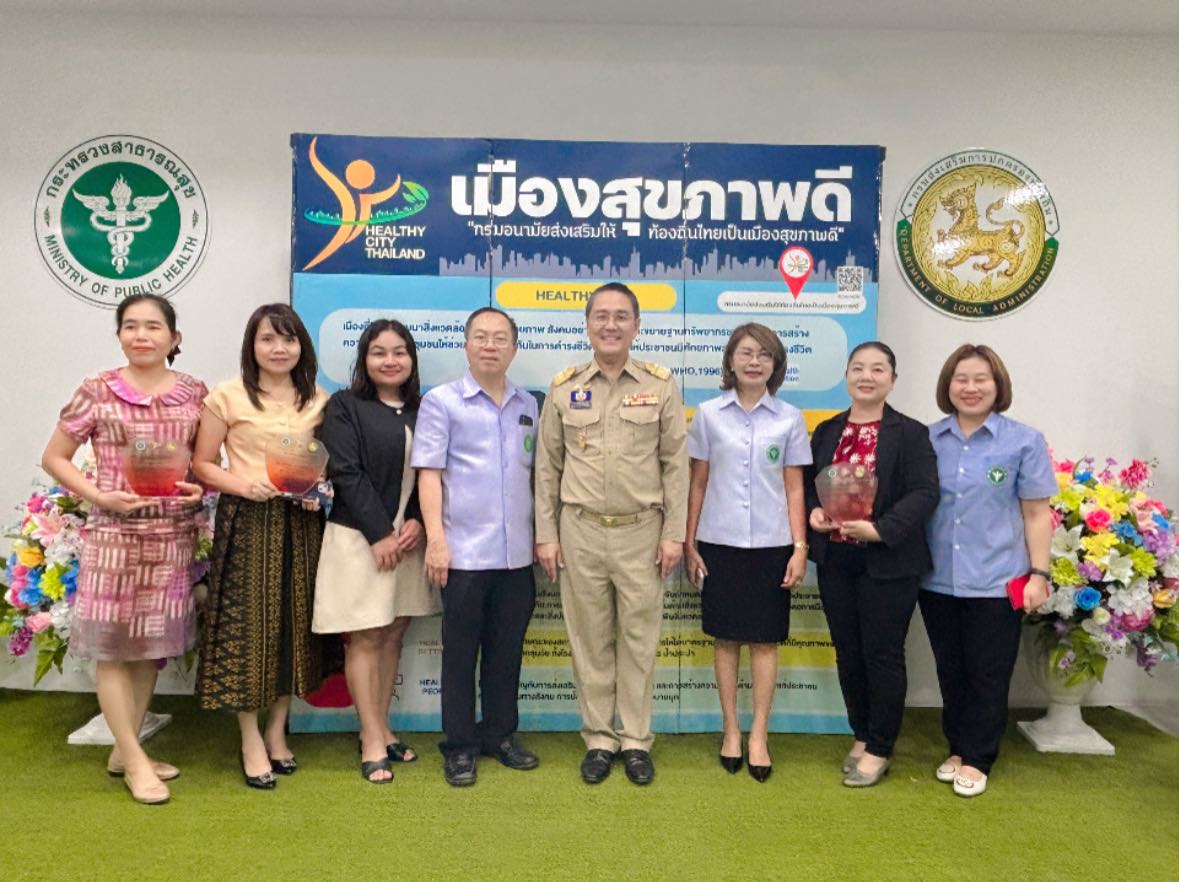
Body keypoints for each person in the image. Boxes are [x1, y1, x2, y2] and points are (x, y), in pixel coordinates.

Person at [42, 293, 206, 805]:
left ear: (174, 338)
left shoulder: (195, 393)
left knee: (149, 648)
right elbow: (55, 457)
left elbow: (205, 462)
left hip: (171, 537)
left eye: (153, 326)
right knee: (113, 648)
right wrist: (98, 496)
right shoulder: (96, 389)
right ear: (119, 336)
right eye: (131, 326)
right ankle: (135, 760)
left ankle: (123, 749)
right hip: (113, 536)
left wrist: (200, 487)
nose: (141, 335)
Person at [535, 282, 688, 786]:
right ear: (587, 324)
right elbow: (548, 467)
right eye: (601, 315)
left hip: (642, 532)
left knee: (639, 641)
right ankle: (600, 739)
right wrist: (547, 534)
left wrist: (673, 534)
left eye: (621, 316)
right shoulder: (564, 386)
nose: (611, 325)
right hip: (578, 531)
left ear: (636, 325)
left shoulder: (660, 385)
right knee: (590, 640)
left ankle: (636, 740)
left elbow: (676, 465)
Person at [192, 303, 329, 790]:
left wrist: (319, 491)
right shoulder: (226, 396)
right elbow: (202, 463)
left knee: (293, 627)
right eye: (267, 339)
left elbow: (325, 465)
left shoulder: (318, 399)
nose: (278, 349)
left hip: (301, 524)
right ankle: (250, 738)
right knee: (247, 631)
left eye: (288, 339)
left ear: (301, 347)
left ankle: (276, 731)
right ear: (252, 346)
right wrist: (241, 485)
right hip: (247, 520)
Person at [411, 307, 539, 787]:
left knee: (507, 654)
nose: (490, 345)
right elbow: (429, 474)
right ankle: (460, 746)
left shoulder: (529, 405)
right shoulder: (442, 402)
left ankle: (500, 735)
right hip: (462, 555)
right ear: (466, 345)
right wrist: (436, 541)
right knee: (460, 656)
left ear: (514, 348)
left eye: (500, 338)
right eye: (481, 337)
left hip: (517, 557)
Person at [921, 344, 1055, 798]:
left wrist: (1039, 574)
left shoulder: (1023, 441)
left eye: (981, 379)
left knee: (988, 673)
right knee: (951, 669)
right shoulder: (929, 439)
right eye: (961, 379)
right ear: (948, 385)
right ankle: (958, 748)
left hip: (998, 579)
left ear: (998, 385)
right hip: (937, 579)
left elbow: (1036, 514)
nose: (971, 387)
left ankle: (979, 757)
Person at [805, 341, 939, 787]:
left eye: (878, 369)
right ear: (846, 376)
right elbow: (808, 484)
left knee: (882, 654)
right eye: (858, 368)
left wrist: (880, 529)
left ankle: (881, 746)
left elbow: (925, 493)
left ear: (892, 380)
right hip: (836, 559)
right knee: (848, 652)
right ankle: (862, 735)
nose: (867, 376)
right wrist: (814, 513)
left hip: (889, 560)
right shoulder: (827, 430)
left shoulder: (911, 433)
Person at [312, 319, 439, 784]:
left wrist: (418, 521)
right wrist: (380, 533)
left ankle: (383, 727)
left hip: (408, 542)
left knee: (393, 633)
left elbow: (435, 475)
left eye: (399, 351)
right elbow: (345, 472)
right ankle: (368, 737)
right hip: (360, 541)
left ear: (412, 359)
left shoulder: (425, 409)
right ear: (364, 359)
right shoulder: (345, 406)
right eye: (379, 352)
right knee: (366, 635)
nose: (390, 360)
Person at [683, 323, 810, 783]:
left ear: (776, 364)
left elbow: (794, 488)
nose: (754, 362)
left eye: (764, 355)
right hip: (719, 543)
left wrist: (799, 547)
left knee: (764, 641)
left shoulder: (790, 418)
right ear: (730, 360)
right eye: (746, 353)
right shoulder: (708, 414)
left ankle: (759, 734)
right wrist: (689, 542)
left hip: (773, 545)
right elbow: (698, 482)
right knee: (725, 639)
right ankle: (731, 730)